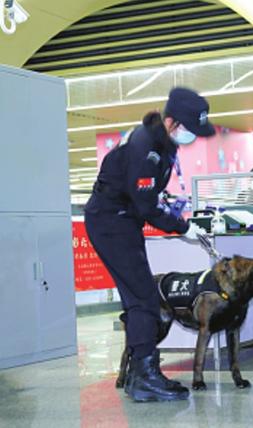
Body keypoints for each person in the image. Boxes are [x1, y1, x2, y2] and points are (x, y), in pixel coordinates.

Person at [85, 87, 212, 402]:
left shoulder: (160, 144)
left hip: (120, 220)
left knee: (138, 297)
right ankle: (144, 377)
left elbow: (148, 198)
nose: (193, 137)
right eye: (189, 130)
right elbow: (146, 205)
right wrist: (183, 227)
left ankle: (138, 374)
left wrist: (178, 221)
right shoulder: (147, 149)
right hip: (112, 221)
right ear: (171, 122)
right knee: (144, 297)